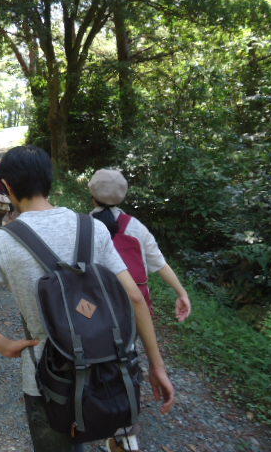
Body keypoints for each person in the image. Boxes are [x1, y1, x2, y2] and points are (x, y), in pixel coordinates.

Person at [0, 145, 175, 452]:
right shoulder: (93, 227)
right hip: (108, 366)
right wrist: (157, 366)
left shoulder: (1, 241)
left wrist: (4, 344)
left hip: (48, 381)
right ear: (49, 181)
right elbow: (135, 297)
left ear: (7, 186)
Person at [88, 169, 191, 452]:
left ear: (92, 194)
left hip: (96, 308)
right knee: (127, 356)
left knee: (99, 357)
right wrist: (181, 292)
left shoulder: (84, 226)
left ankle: (96, 406)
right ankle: (125, 427)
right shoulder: (136, 228)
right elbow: (159, 263)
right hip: (132, 310)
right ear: (123, 195)